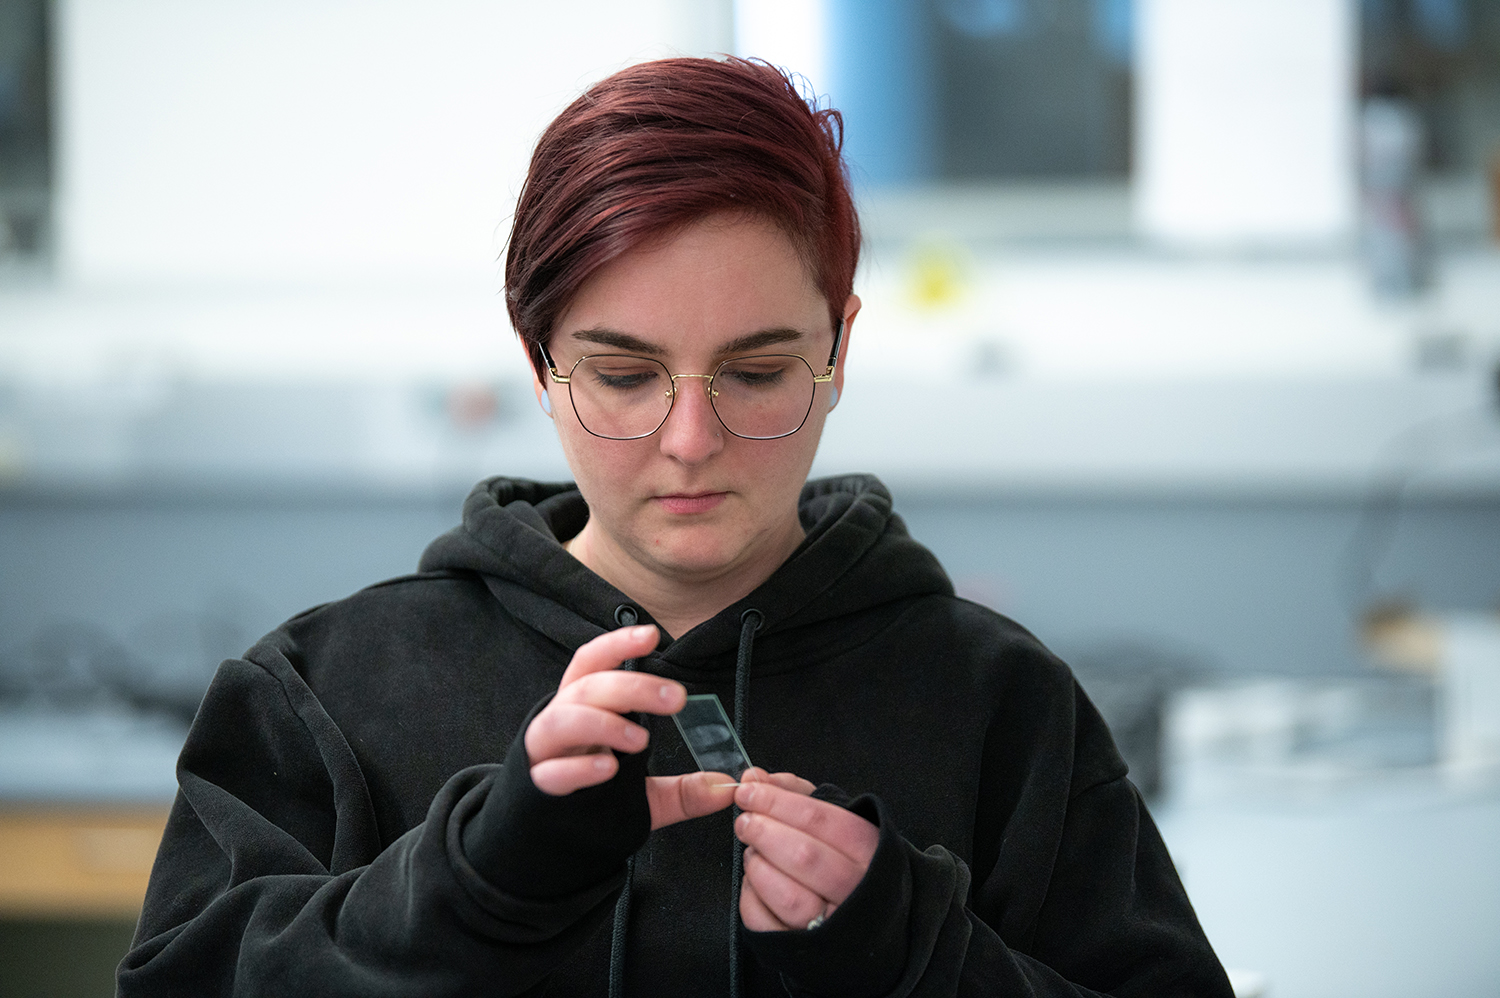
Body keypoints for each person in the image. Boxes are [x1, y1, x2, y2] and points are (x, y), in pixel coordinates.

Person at [119, 57, 1234, 998]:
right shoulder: (322, 694)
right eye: (622, 372)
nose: (691, 438)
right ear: (537, 364)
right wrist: (469, 882)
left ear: (839, 349)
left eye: (756, 372)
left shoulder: (1003, 707)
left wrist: (917, 944)